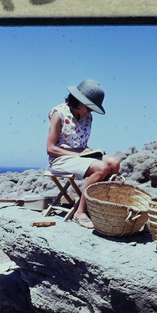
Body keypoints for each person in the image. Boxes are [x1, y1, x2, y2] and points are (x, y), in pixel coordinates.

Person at [46, 79, 121, 229]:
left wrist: (87, 152)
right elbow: (51, 148)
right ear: (78, 100)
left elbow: (79, 145)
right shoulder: (58, 113)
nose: (90, 111)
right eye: (89, 107)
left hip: (80, 156)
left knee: (114, 163)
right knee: (101, 168)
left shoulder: (88, 116)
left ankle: (94, 205)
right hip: (59, 159)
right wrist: (77, 155)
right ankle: (80, 212)